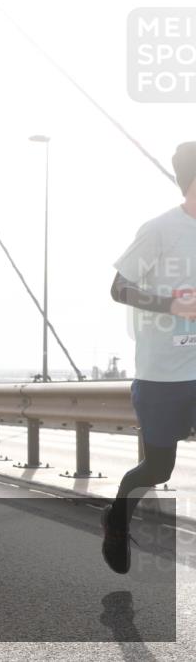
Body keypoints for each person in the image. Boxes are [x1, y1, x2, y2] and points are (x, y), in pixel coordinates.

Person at [102, 141, 196, 574]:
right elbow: (118, 288)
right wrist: (170, 305)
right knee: (158, 468)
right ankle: (117, 520)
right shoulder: (159, 229)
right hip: (161, 374)